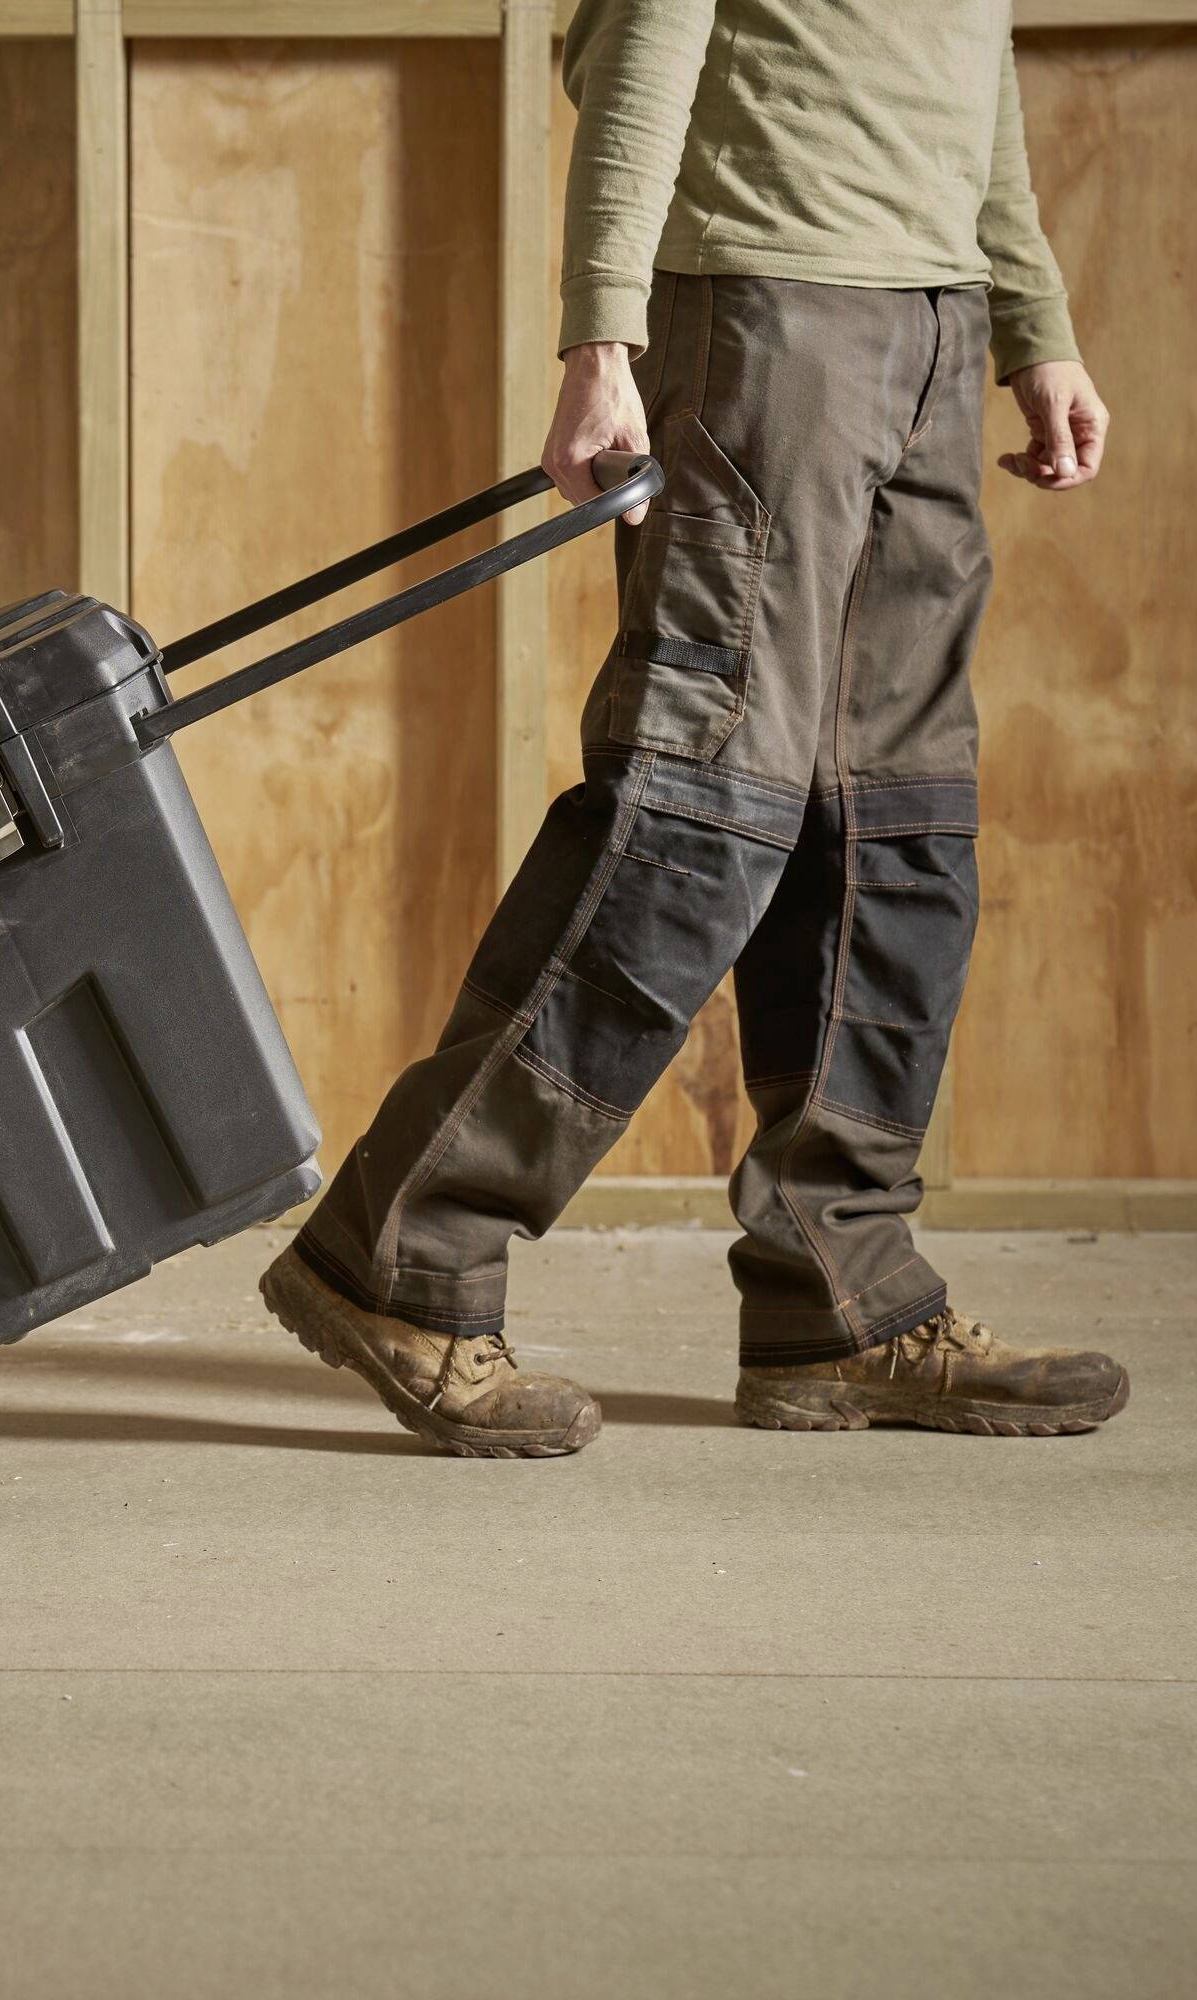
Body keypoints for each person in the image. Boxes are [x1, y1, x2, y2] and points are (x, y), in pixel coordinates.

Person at [261, 0, 1129, 1455]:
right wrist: (603, 333)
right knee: (696, 813)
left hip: (932, 323)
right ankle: (403, 1252)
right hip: (762, 311)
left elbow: (977, 82)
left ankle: (837, 1294)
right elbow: (640, 44)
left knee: (892, 828)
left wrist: (1029, 320)